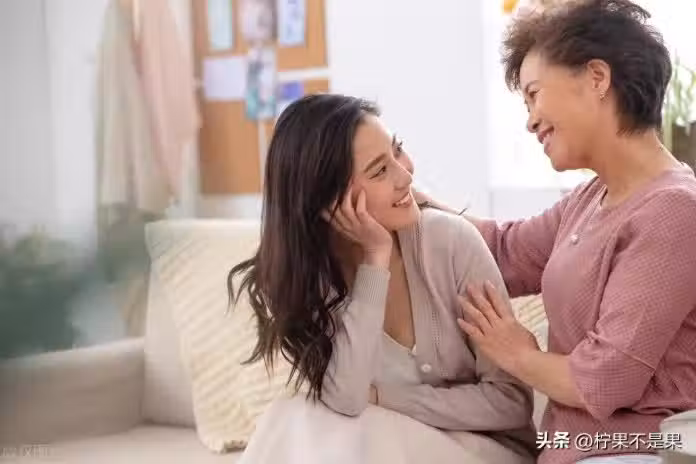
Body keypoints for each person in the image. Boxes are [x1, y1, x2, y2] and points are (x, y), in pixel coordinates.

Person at [418, 1, 696, 463]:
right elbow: (503, 252)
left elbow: (604, 380)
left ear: (597, 78)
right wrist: (405, 194)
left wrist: (517, 354)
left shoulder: (674, 210)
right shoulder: (590, 199)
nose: (529, 120)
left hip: (639, 451)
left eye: (534, 94)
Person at [228, 94, 537, 464]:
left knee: (360, 430)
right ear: (328, 202)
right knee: (291, 415)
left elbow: (511, 403)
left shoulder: (451, 243)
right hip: (384, 446)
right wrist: (375, 260)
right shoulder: (313, 282)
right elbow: (346, 399)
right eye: (379, 171)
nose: (406, 176)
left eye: (398, 150)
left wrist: (385, 399)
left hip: (488, 450)